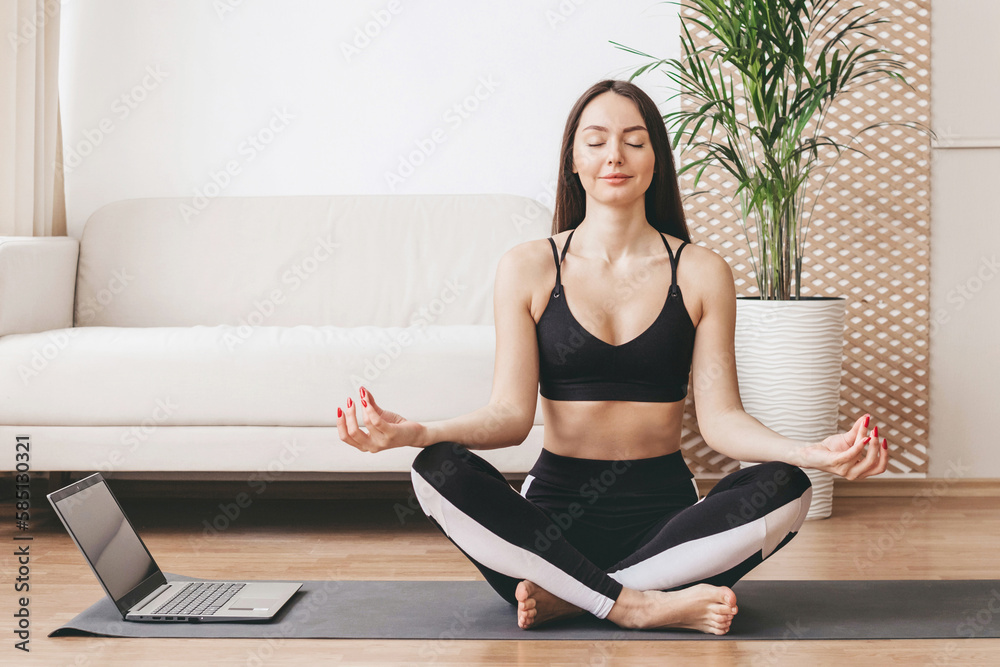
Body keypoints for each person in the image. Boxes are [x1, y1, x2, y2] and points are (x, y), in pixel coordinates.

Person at [335, 79, 889, 635]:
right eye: (596, 141)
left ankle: (577, 596)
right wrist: (416, 432)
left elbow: (720, 421)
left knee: (787, 485)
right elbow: (508, 417)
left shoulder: (700, 271)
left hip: (669, 528)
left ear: (656, 160)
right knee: (435, 469)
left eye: (634, 141)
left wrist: (811, 452)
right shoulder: (528, 267)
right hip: (548, 528)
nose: (614, 157)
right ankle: (637, 604)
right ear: (573, 159)